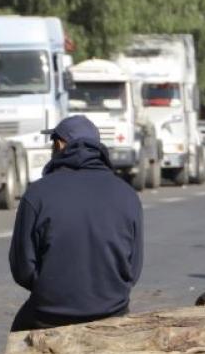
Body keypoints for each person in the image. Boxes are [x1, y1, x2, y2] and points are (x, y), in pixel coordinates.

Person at [9, 116, 143, 332]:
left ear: (60, 144)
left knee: (19, 335)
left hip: (50, 313)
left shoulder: (38, 193)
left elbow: (22, 268)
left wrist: (51, 290)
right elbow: (133, 270)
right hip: (112, 311)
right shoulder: (127, 195)